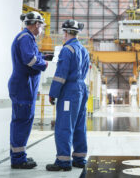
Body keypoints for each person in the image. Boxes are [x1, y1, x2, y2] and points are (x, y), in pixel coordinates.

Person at [8, 11, 53, 169]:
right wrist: (44, 64)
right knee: (21, 122)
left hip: (26, 86)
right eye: (41, 26)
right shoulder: (26, 38)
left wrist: (42, 57)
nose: (42, 29)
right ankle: (18, 159)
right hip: (23, 86)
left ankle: (19, 155)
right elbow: (30, 59)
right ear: (36, 24)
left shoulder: (27, 38)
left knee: (23, 121)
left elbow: (34, 56)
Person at [46, 19, 90, 171]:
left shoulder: (67, 50)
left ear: (66, 32)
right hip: (82, 89)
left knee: (64, 125)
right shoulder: (84, 50)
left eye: (63, 33)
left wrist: (53, 93)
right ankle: (79, 158)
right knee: (79, 124)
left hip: (69, 92)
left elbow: (60, 75)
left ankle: (63, 161)